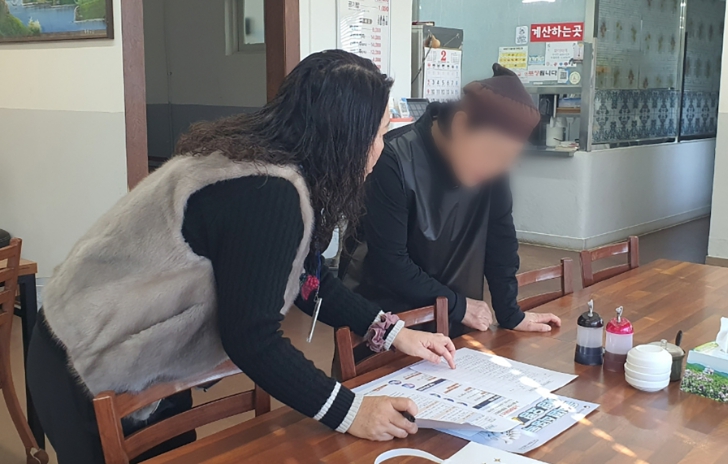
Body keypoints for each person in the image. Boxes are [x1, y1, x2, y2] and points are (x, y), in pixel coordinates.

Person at [26, 50, 456, 464]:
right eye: (378, 133)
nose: (381, 147)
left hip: (145, 356)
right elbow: (252, 338)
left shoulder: (269, 163)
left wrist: (393, 332)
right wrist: (351, 411)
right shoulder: (269, 195)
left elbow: (307, 280)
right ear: (345, 138)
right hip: (85, 357)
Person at [340, 64, 562, 338]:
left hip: (455, 327)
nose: (498, 166)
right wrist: (459, 305)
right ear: (460, 125)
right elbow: (390, 262)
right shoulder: (393, 160)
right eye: (492, 152)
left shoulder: (492, 167)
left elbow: (500, 239)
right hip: (388, 328)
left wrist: (510, 313)